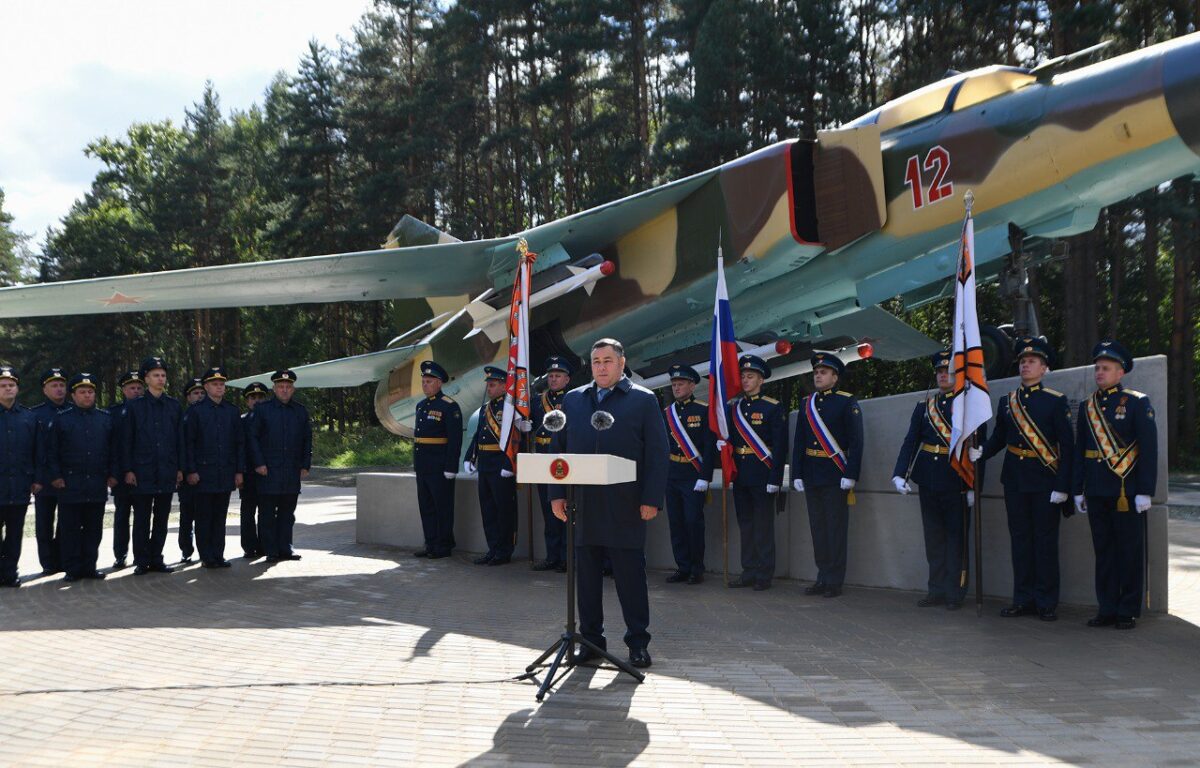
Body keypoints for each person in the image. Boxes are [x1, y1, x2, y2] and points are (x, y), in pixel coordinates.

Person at [549, 338, 669, 669]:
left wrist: (651, 499)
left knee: (630, 577)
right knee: (585, 578)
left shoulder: (643, 400)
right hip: (583, 504)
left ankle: (637, 643)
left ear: (621, 363)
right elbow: (557, 449)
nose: (601, 366)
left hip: (626, 504)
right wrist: (556, 493)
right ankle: (589, 642)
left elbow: (658, 454)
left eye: (607, 360)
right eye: (596, 361)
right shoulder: (573, 400)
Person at [973, 337, 1074, 621]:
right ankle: (1023, 598)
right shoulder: (1008, 401)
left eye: (1032, 362)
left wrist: (1062, 486)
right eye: (1022, 361)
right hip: (1015, 481)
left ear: (1044, 368)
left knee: (1044, 543)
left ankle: (1045, 602)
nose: (1025, 365)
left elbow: (1067, 447)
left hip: (1045, 482)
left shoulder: (1055, 401)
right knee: (1020, 542)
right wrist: (982, 452)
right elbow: (999, 439)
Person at [1073, 340, 1157, 630]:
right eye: (1097, 368)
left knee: (1128, 551)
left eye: (1106, 368)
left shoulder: (1136, 402)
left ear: (1120, 372)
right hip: (1096, 490)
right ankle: (1106, 607)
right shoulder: (1087, 407)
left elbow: (1148, 448)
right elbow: (1080, 450)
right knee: (1104, 552)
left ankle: (1127, 609)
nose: (1099, 372)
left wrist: (1145, 490)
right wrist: (1078, 489)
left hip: (1127, 491)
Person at [891, 350, 983, 611]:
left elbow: (978, 449)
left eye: (949, 371)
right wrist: (899, 473)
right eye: (940, 372)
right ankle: (936, 589)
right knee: (934, 538)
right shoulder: (925, 406)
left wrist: (974, 486)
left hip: (956, 479)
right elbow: (911, 441)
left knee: (956, 540)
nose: (944, 375)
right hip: (928, 478)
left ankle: (955, 591)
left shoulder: (969, 405)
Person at [792, 352, 863, 599]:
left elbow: (856, 441)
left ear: (835, 377)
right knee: (818, 530)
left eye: (823, 372)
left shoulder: (846, 402)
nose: (818, 376)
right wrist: (797, 473)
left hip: (835, 474)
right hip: (812, 474)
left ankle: (834, 580)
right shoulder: (806, 403)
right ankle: (822, 577)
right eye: (816, 372)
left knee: (835, 530)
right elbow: (800, 440)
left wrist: (851, 473)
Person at [724, 354, 788, 591]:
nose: (745, 380)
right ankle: (748, 571)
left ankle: (764, 573)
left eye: (750, 377)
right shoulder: (734, 408)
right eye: (743, 376)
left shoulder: (772, 407)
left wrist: (776, 478)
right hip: (741, 474)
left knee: (763, 526)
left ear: (761, 380)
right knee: (746, 525)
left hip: (763, 473)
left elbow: (781, 447)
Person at [45, 373, 117, 582]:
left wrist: (112, 474)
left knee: (94, 530)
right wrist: (56, 476)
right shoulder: (61, 420)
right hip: (70, 484)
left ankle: (89, 566)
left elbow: (114, 451)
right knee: (70, 530)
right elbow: (51, 452)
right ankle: (73, 569)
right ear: (73, 395)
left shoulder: (105, 419)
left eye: (91, 392)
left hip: (96, 484)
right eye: (82, 392)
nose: (87, 396)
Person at [122, 356, 182, 576]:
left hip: (166, 469)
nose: (160, 379)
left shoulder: (174, 406)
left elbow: (179, 440)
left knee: (162, 518)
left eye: (163, 375)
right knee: (141, 518)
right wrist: (128, 469)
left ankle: (157, 557)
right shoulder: (135, 407)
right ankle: (141, 560)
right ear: (146, 378)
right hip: (142, 471)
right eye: (156, 375)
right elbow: (127, 440)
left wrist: (179, 468)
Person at [248, 369, 312, 563]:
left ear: (293, 389)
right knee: (267, 513)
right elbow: (253, 438)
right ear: (274, 389)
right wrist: (258, 463)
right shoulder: (262, 409)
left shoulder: (300, 411)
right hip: (268, 470)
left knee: (287, 513)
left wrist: (305, 464)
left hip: (291, 470)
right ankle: (271, 550)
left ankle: (286, 548)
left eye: (288, 387)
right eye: (281, 387)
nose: (284, 390)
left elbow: (307, 439)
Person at [183, 366, 244, 569]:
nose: (219, 388)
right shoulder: (196, 411)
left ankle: (218, 553)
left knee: (220, 516)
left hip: (225, 472)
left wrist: (238, 471)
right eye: (214, 384)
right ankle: (206, 555)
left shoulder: (232, 411)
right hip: (203, 473)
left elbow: (238, 444)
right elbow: (188, 443)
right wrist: (191, 470)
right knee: (204, 517)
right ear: (206, 386)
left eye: (221, 384)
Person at [662, 363, 715, 585]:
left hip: (693, 475)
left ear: (692, 386)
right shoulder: (667, 413)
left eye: (681, 384)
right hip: (672, 473)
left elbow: (710, 447)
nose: (676, 388)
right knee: (676, 523)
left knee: (693, 522)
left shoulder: (703, 411)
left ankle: (696, 568)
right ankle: (682, 566)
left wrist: (705, 476)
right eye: (674, 384)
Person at [465, 366, 518, 566]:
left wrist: (509, 464)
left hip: (501, 463)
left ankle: (504, 551)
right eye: (488, 384)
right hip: (485, 463)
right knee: (488, 509)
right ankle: (493, 548)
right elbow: (478, 435)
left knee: (504, 509)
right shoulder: (486, 408)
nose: (489, 388)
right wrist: (469, 457)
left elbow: (514, 439)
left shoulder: (510, 407)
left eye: (493, 384)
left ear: (505, 386)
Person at [411, 361, 461, 559]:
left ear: (439, 383)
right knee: (427, 506)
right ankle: (430, 542)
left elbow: (455, 440)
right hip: (423, 466)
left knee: (443, 507)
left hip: (440, 467)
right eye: (423, 381)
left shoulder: (449, 406)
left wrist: (451, 467)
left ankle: (444, 545)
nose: (425, 384)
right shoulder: (421, 406)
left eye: (429, 381)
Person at [529, 355, 573, 572]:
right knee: (548, 510)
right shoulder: (538, 400)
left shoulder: (573, 399)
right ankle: (552, 556)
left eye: (558, 376)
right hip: (542, 456)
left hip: (562, 459)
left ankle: (567, 557)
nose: (554, 379)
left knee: (564, 506)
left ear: (567, 379)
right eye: (551, 376)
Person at [0, 366, 39, 588]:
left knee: (15, 534)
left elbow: (37, 451)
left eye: (11, 385)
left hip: (19, 486)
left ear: (17, 388)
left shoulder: (28, 417)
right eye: (3, 385)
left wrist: (36, 479)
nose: (7, 389)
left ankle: (10, 572)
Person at [31, 367, 70, 576]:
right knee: (44, 523)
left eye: (62, 385)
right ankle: (47, 562)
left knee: (66, 523)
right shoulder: (35, 415)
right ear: (44, 389)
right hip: (44, 480)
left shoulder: (73, 411)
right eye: (54, 385)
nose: (59, 389)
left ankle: (63, 559)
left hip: (67, 479)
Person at [107, 370, 143, 569]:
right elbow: (111, 446)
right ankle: (120, 554)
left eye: (139, 388)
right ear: (123, 390)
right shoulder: (113, 412)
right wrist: (113, 473)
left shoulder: (148, 409)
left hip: (143, 473)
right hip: (121, 474)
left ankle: (141, 555)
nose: (136, 391)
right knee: (122, 516)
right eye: (132, 388)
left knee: (142, 517)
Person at [176, 377, 206, 564]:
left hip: (205, 475)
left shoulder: (210, 414)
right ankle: (186, 549)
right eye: (196, 393)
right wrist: (184, 471)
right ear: (188, 397)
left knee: (203, 515)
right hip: (188, 475)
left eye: (202, 392)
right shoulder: (184, 417)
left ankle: (206, 550)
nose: (200, 396)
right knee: (187, 515)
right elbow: (182, 447)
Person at [239, 382, 270, 559]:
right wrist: (240, 472)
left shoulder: (271, 419)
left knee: (266, 512)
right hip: (248, 474)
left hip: (267, 474)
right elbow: (239, 448)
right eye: (253, 398)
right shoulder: (241, 421)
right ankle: (249, 547)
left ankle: (266, 545)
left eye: (260, 398)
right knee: (248, 513)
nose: (257, 401)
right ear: (247, 401)